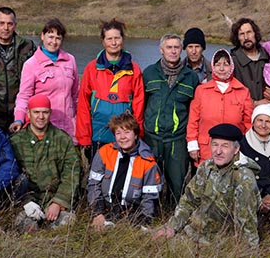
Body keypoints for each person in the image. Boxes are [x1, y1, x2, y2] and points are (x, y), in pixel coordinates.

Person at [153, 123, 261, 247]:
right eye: (215, 145)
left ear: (236, 149)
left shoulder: (244, 178)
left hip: (222, 243)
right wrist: (172, 227)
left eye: (225, 146)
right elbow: (189, 200)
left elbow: (246, 223)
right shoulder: (206, 167)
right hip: (194, 233)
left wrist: (247, 252)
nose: (218, 151)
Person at [76, 18, 145, 163]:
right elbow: (83, 104)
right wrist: (84, 136)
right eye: (109, 39)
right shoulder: (91, 68)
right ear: (103, 41)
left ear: (122, 39)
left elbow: (138, 104)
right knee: (98, 175)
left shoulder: (134, 69)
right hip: (98, 133)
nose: (113, 43)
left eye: (117, 38)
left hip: (124, 135)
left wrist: (138, 133)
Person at [10, 94, 80, 231]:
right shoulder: (16, 141)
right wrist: (26, 202)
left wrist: (58, 202)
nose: (41, 117)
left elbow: (72, 173)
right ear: (28, 113)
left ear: (50, 113)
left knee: (66, 225)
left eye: (45, 112)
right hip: (28, 201)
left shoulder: (62, 139)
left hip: (54, 198)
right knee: (28, 228)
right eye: (36, 112)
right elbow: (12, 177)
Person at [143, 33, 198, 207]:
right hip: (152, 137)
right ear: (161, 50)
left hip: (177, 139)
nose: (173, 51)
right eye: (169, 47)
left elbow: (194, 110)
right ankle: (149, 214)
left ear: (181, 50)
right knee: (149, 180)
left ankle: (174, 216)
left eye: (176, 47)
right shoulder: (149, 73)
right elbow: (141, 104)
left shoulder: (191, 77)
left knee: (177, 182)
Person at [87, 112, 162, 231]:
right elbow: (93, 185)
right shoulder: (104, 152)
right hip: (105, 211)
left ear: (136, 134)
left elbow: (150, 197)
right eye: (118, 133)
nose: (122, 137)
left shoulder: (148, 162)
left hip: (134, 215)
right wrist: (97, 213)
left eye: (127, 132)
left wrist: (144, 221)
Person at [9, 18, 78, 144]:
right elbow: (24, 96)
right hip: (44, 126)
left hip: (68, 126)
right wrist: (19, 119)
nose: (54, 41)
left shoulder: (70, 60)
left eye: (58, 38)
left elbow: (75, 95)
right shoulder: (31, 64)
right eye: (50, 36)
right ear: (42, 36)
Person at [186, 49, 253, 166]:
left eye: (226, 65)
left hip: (233, 150)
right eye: (218, 65)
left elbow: (248, 122)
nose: (221, 69)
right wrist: (192, 144)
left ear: (231, 66)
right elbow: (193, 120)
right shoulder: (201, 90)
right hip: (206, 150)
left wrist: (247, 147)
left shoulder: (243, 91)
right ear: (213, 66)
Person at [0, 7, 36, 131]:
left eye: (10, 24)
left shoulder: (27, 47)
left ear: (15, 25)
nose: (6, 28)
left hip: (20, 113)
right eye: (1, 23)